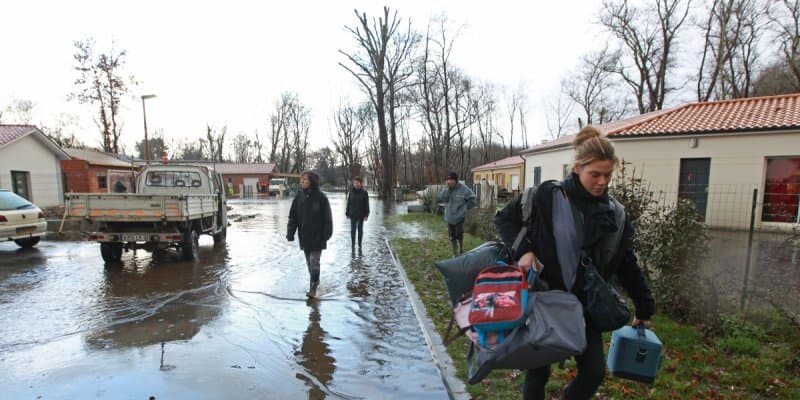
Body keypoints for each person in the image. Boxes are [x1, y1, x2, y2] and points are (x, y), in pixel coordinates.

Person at [494, 125, 655, 400]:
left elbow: (625, 261)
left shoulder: (615, 215)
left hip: (587, 306)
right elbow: (504, 219)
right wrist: (524, 250)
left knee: (593, 372)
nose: (602, 181)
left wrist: (644, 304)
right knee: (538, 372)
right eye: (595, 174)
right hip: (546, 299)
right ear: (577, 168)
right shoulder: (546, 197)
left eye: (607, 175)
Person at [287, 171, 333, 298]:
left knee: (314, 262)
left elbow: (328, 218)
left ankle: (313, 289)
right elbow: (293, 217)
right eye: (301, 179)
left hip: (318, 237)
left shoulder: (322, 198)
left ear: (312, 181)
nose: (302, 181)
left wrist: (326, 235)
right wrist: (290, 233)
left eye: (305, 179)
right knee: (309, 264)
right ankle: (315, 282)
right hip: (304, 237)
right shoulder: (298, 197)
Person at [438, 171, 477, 256]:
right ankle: (454, 253)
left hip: (459, 217)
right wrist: (447, 189)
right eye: (448, 180)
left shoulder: (464, 189)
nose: (449, 181)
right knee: (452, 236)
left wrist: (465, 208)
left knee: (459, 234)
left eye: (451, 179)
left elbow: (473, 199)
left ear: (456, 180)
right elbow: (442, 198)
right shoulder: (447, 189)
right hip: (449, 217)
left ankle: (461, 250)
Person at [345, 176, 369, 253]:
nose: (356, 184)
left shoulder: (364, 193)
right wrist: (347, 212)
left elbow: (366, 204)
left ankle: (359, 245)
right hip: (352, 214)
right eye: (355, 183)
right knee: (352, 230)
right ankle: (353, 245)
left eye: (357, 183)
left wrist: (366, 214)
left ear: (361, 184)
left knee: (360, 230)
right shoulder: (351, 191)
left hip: (361, 214)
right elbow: (349, 202)